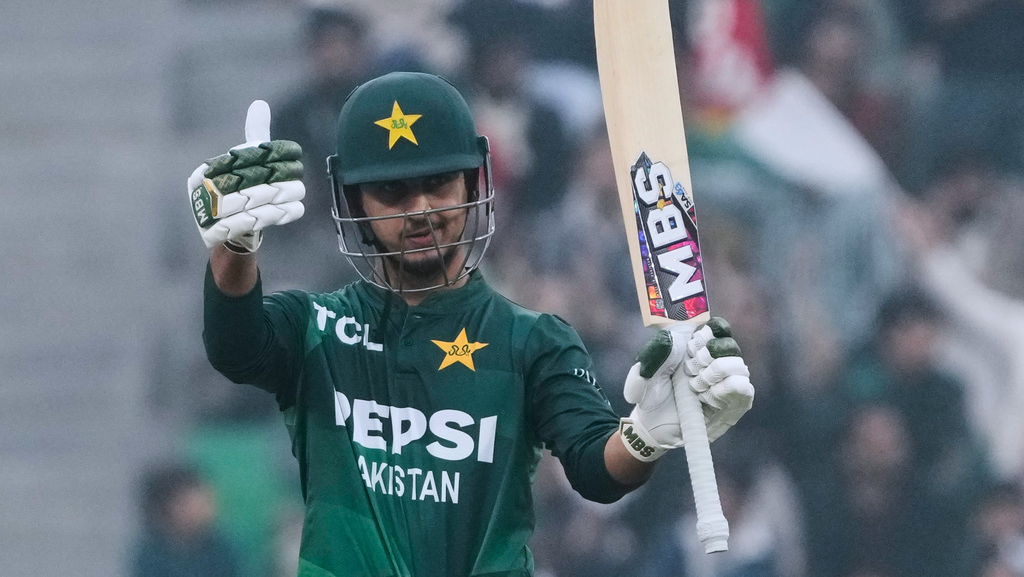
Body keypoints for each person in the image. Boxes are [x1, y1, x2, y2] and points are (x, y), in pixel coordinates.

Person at [186, 72, 755, 576]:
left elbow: (595, 469)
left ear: (473, 183)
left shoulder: (531, 341)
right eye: (392, 191)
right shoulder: (315, 327)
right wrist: (234, 245)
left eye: (439, 182)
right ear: (352, 200)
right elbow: (234, 345)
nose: (421, 210)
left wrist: (648, 434)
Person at [130, 462, 242, 577]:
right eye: (195, 503)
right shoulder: (150, 553)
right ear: (170, 508)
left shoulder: (223, 548)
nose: (207, 509)